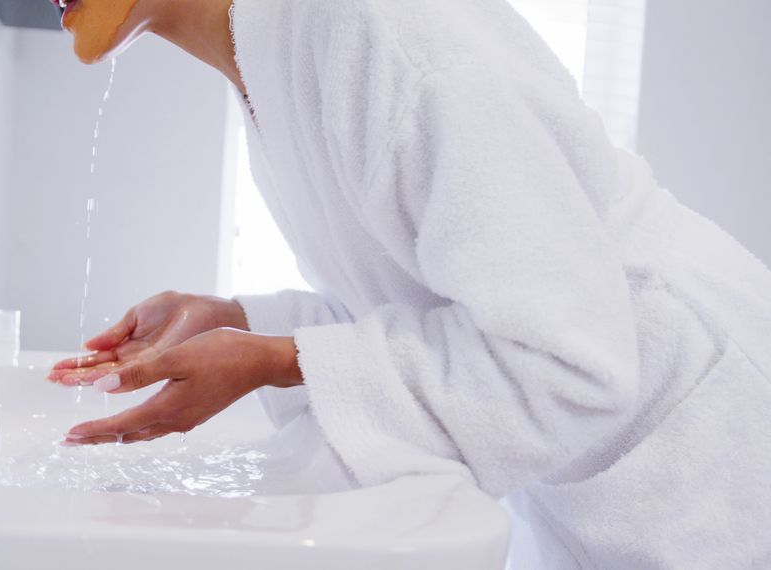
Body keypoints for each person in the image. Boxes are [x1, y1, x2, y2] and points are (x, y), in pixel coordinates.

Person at [47, 0, 771, 567]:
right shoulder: (272, 57)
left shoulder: (374, 24)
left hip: (715, 457)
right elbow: (426, 302)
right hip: (612, 475)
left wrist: (275, 361)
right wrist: (234, 319)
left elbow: (568, 358)